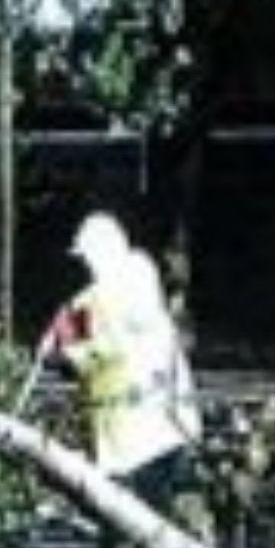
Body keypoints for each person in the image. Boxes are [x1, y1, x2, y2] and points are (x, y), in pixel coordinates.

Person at [48, 211, 202, 510]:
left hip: (143, 433)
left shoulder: (118, 289)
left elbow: (101, 350)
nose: (86, 267)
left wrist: (65, 348)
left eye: (87, 259)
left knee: (139, 516)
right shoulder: (133, 278)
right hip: (159, 426)